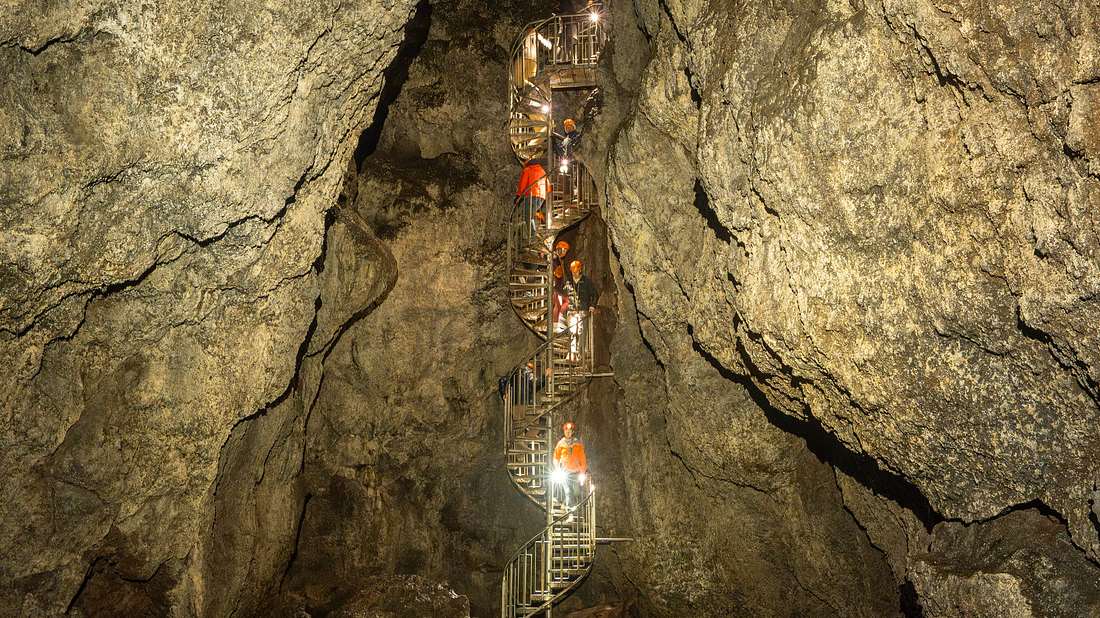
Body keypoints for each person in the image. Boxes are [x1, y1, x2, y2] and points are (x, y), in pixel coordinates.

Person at [553, 421, 588, 514]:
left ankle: (565, 504)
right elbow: (556, 458)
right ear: (564, 432)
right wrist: (557, 469)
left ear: (572, 432)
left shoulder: (578, 444)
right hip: (565, 472)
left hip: (576, 472)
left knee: (576, 492)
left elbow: (582, 459)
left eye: (570, 430)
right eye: (566, 430)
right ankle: (571, 513)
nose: (568, 432)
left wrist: (583, 471)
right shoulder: (560, 444)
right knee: (568, 491)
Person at [567, 259, 599, 359]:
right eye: (573, 271)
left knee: (581, 332)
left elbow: (594, 294)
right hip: (572, 310)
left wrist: (592, 305)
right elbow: (563, 291)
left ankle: (580, 353)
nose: (574, 273)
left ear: (580, 270)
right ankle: (572, 353)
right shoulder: (568, 281)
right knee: (572, 331)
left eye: (576, 271)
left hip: (583, 310)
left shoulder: (586, 281)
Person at [516, 158, 549, 236]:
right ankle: (533, 233)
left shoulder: (528, 169)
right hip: (542, 197)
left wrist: (518, 196)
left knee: (528, 215)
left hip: (532, 195)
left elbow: (523, 184)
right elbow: (548, 186)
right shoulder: (542, 171)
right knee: (531, 214)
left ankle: (533, 236)